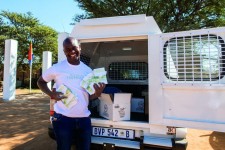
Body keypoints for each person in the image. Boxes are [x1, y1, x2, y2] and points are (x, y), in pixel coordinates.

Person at [37, 37, 105, 150]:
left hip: (84, 120)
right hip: (63, 119)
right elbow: (40, 82)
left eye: (74, 48)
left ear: (80, 48)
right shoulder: (57, 68)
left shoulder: (87, 70)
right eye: (67, 49)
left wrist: (97, 94)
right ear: (64, 51)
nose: (71, 51)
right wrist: (51, 94)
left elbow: (88, 96)